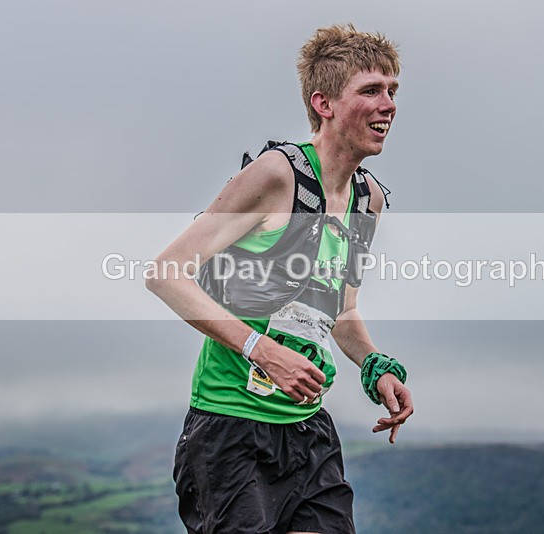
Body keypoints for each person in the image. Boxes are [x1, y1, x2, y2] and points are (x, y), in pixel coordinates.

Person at [146, 23, 413, 534]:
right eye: (371, 91)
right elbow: (166, 273)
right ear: (324, 103)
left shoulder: (368, 200)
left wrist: (375, 366)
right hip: (230, 429)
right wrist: (261, 350)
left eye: (393, 90)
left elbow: (342, 311)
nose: (389, 104)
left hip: (307, 431)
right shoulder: (276, 175)